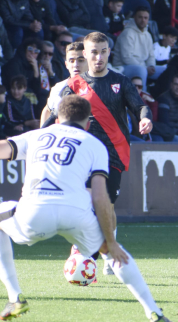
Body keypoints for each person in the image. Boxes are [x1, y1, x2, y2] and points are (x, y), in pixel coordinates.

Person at [0, 94, 173, 322]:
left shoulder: (35, 136)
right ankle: (154, 312)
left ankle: (15, 297)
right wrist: (110, 241)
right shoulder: (95, 144)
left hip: (34, 213)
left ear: (56, 117)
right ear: (88, 123)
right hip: (76, 214)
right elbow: (100, 197)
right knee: (110, 252)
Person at [60, 32, 154, 275]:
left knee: (106, 205)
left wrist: (145, 119)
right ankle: (88, 253)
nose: (98, 57)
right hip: (82, 155)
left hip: (112, 153)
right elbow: (55, 117)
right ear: (85, 54)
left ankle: (104, 250)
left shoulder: (121, 82)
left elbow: (140, 106)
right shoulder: (73, 86)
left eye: (103, 51)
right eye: (93, 52)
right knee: (86, 203)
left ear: (109, 52)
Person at [40, 41, 88, 127]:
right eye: (72, 61)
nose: (76, 65)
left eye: (81, 60)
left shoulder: (98, 86)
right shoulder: (58, 87)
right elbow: (47, 110)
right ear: (66, 64)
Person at [112, 7, 159, 91]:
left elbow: (151, 55)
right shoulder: (127, 33)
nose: (143, 20)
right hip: (122, 66)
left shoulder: (148, 35)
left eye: (145, 18)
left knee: (162, 70)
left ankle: (157, 98)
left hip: (141, 65)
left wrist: (151, 66)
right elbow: (127, 58)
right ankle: (142, 97)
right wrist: (145, 67)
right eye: (140, 17)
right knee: (142, 70)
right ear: (134, 18)